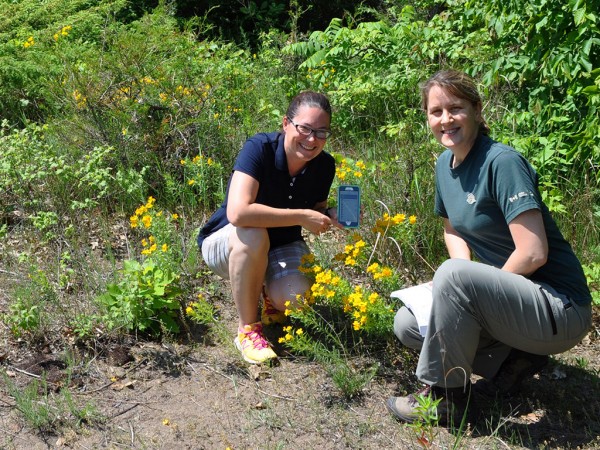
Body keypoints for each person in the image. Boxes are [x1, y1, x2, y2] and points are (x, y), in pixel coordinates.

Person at [386, 70, 592, 425]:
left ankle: (445, 397)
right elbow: (452, 228)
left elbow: (533, 251)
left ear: (478, 110)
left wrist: (465, 284)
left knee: (453, 278)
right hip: (516, 301)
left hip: (560, 307)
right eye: (436, 111)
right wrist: (459, 284)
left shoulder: (502, 162)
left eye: (456, 108)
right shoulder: (443, 165)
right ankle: (514, 361)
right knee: (407, 324)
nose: (445, 119)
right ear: (427, 118)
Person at [197, 91, 342, 365]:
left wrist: (330, 215)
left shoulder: (324, 166)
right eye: (305, 128)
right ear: (286, 123)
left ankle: (268, 293)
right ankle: (247, 331)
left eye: (321, 132)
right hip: (229, 243)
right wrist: (301, 215)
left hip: (280, 246)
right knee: (253, 232)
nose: (312, 139)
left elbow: (316, 211)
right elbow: (238, 213)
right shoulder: (259, 148)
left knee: (296, 300)